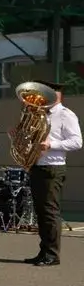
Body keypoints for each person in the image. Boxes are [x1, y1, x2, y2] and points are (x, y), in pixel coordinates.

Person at [23, 80, 82, 266]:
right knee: (41, 212)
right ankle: (44, 251)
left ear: (59, 95)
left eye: (50, 93)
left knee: (50, 212)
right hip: (37, 165)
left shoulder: (66, 115)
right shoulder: (38, 113)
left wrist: (52, 145)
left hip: (53, 167)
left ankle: (52, 254)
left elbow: (77, 142)